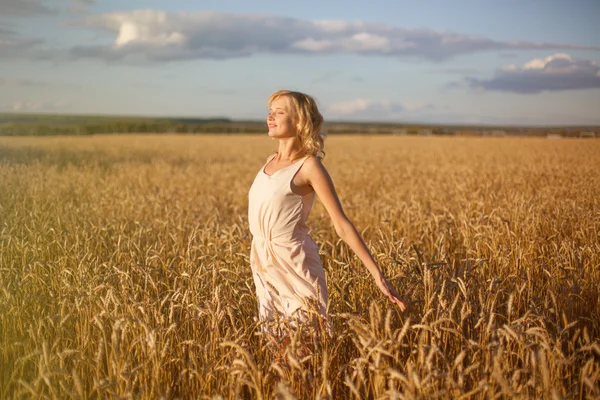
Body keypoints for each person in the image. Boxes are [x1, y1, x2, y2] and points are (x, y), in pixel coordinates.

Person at [248, 89, 407, 336]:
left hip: (294, 263)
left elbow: (341, 224)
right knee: (276, 348)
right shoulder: (270, 160)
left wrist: (377, 275)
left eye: (279, 112)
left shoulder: (309, 166)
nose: (270, 117)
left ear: (300, 120)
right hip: (264, 263)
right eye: (270, 112)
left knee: (302, 346)